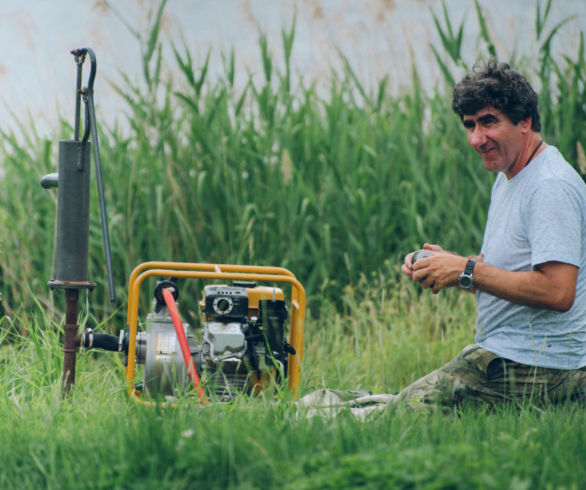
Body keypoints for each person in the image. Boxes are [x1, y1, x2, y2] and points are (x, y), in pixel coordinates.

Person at [299, 59, 586, 416]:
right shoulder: (511, 174)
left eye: (488, 122)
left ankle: (314, 417)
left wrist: (467, 270)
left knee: (388, 419)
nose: (476, 139)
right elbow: (514, 270)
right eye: (470, 126)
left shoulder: (549, 186)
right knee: (365, 405)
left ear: (524, 121)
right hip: (507, 354)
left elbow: (557, 291)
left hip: (541, 367)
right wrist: (450, 267)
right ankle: (315, 407)